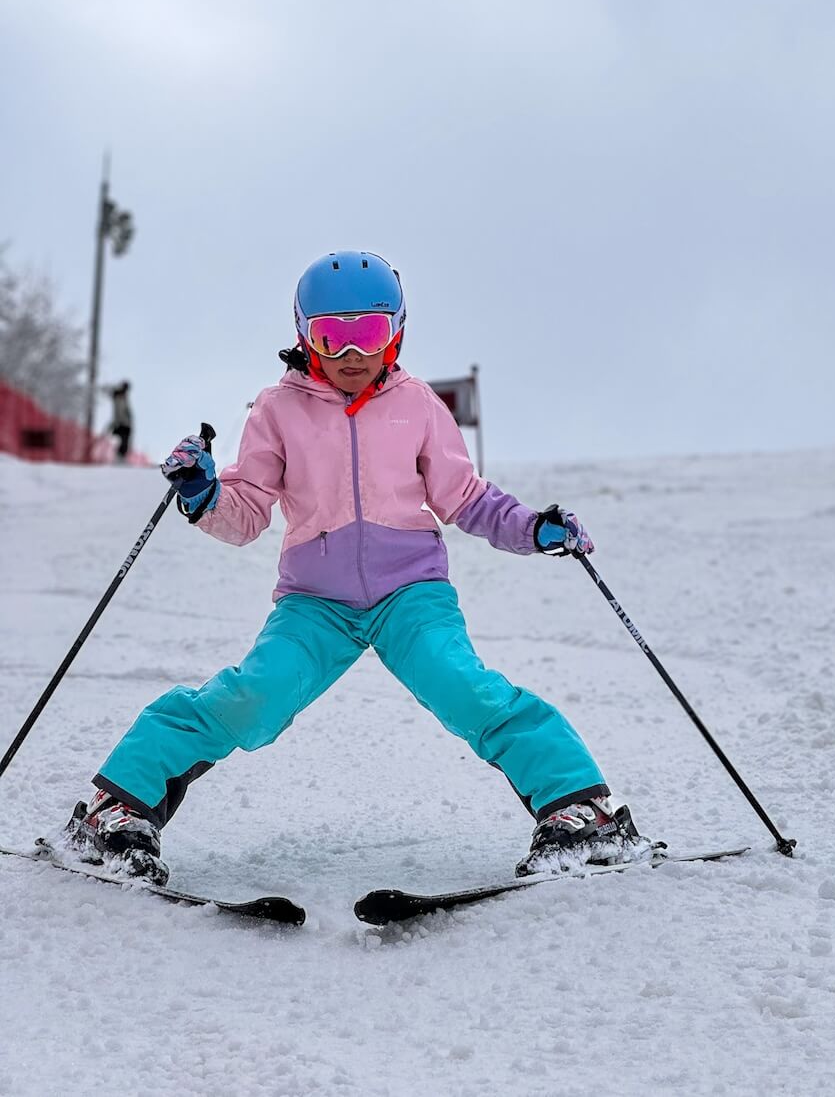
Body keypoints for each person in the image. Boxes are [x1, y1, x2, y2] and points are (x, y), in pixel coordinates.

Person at [63, 252, 650, 886]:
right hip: (314, 603)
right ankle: (119, 807)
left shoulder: (418, 404)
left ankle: (578, 808)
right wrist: (205, 495)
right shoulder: (276, 410)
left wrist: (534, 528)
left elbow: (466, 498)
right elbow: (248, 511)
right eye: (329, 334)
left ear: (396, 330)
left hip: (411, 593)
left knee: (463, 686)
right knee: (251, 696)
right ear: (302, 334)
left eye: (367, 331)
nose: (350, 351)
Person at [106, 381, 132, 461]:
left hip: (124, 423)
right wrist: (118, 422)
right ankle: (119, 457)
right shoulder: (119, 397)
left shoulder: (122, 397)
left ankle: (120, 457)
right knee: (123, 441)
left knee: (124, 441)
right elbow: (119, 412)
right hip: (122, 423)